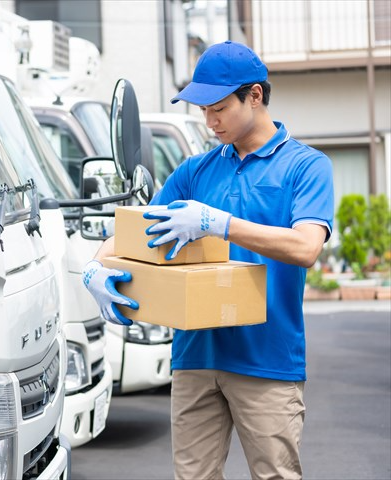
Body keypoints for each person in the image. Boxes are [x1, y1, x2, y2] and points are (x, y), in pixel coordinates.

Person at [82, 41, 334, 480]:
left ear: (254, 96)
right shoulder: (195, 172)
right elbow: (130, 235)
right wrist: (95, 268)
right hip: (195, 358)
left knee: (275, 475)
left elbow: (306, 247)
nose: (210, 120)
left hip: (268, 360)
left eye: (218, 108)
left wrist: (220, 223)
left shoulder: (305, 167)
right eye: (203, 111)